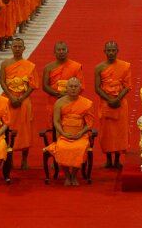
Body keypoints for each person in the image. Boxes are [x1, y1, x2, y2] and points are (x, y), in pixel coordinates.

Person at [45, 77, 95, 186]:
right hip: (64, 135)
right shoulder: (59, 103)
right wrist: (63, 133)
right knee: (62, 148)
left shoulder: (87, 103)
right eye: (71, 86)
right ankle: (67, 175)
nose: (73, 89)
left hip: (80, 135)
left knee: (79, 148)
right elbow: (56, 121)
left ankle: (74, 175)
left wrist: (81, 133)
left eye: (75, 86)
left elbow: (90, 123)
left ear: (80, 88)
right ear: (66, 88)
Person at [0, 36, 37, 169]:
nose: (17, 49)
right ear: (11, 48)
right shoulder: (5, 63)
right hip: (8, 99)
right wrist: (11, 96)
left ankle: (24, 160)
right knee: (7, 128)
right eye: (14, 46)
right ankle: (8, 159)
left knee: (25, 129)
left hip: (24, 100)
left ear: (24, 48)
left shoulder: (30, 66)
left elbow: (32, 85)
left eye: (19, 47)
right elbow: (2, 82)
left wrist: (21, 98)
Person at [94, 40, 131, 169]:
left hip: (120, 103)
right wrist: (109, 99)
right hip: (106, 102)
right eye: (108, 50)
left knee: (120, 131)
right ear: (104, 52)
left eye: (113, 50)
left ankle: (117, 160)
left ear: (117, 51)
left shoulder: (125, 66)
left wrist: (117, 99)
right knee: (107, 132)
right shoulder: (99, 68)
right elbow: (97, 88)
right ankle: (108, 159)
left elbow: (127, 86)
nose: (111, 53)